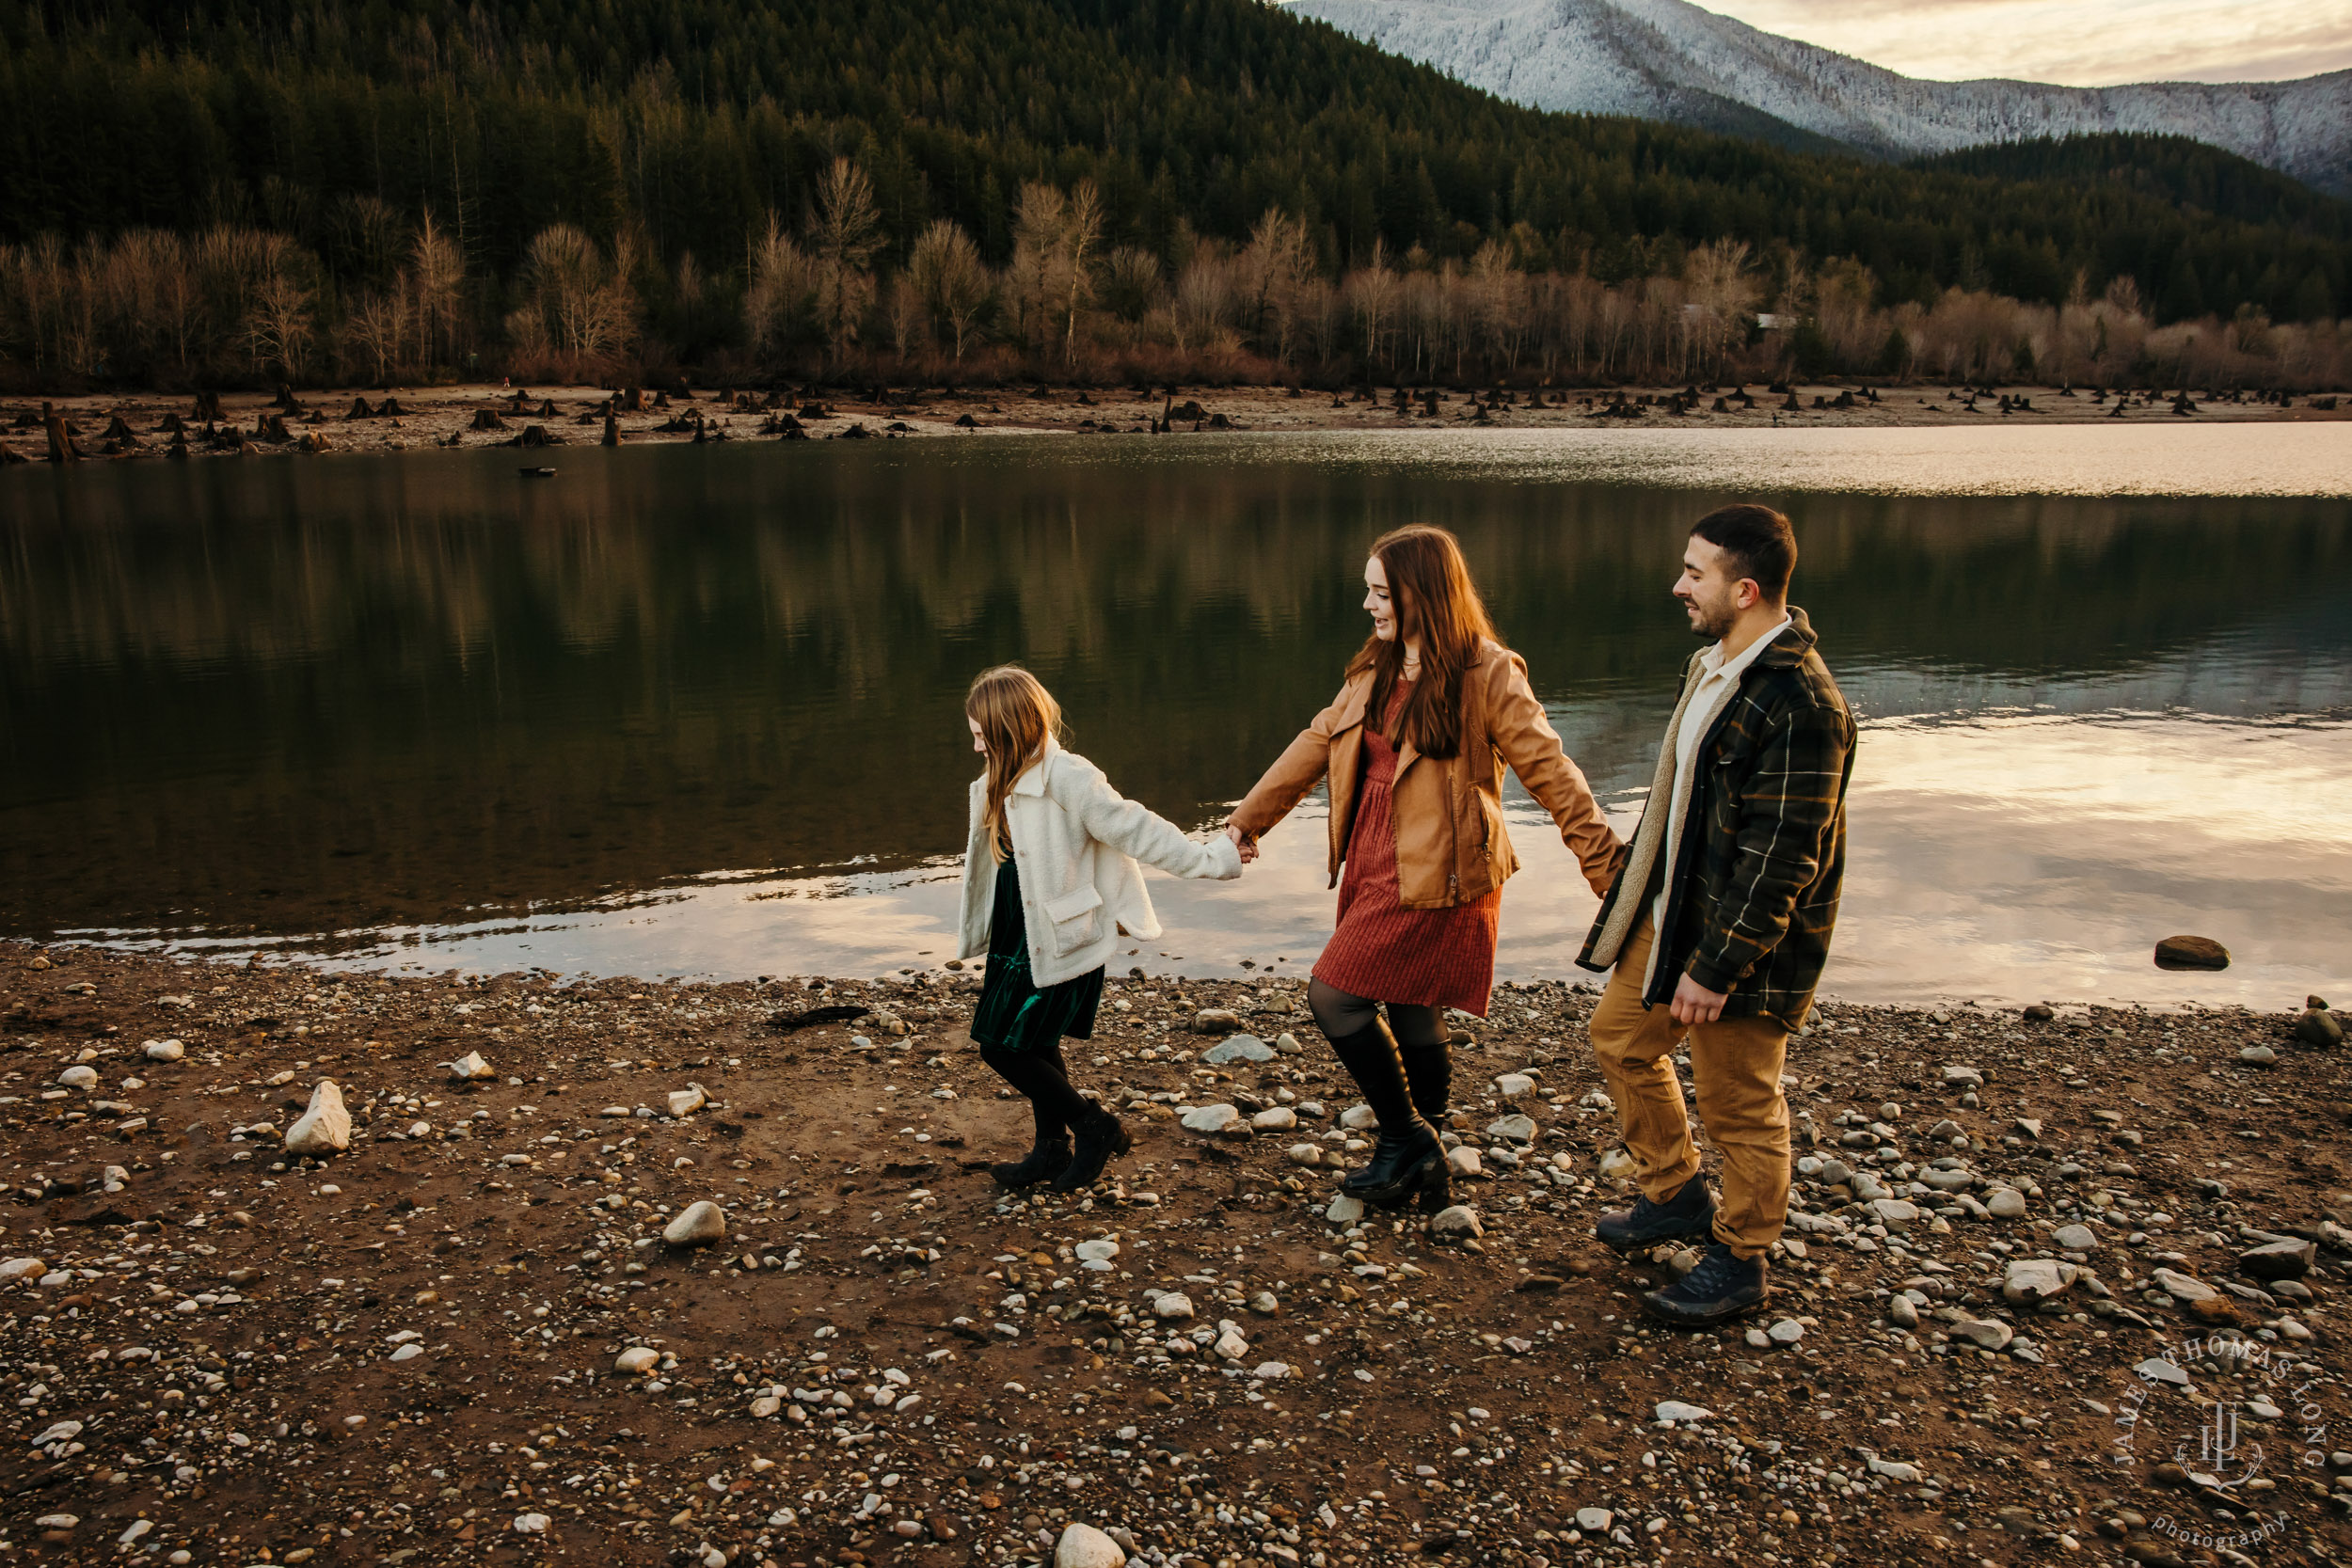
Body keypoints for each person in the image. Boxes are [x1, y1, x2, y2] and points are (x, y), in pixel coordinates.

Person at [1227, 526, 1623, 1212]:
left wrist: (1606, 868)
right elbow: (1319, 736)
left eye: (1380, 592)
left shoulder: (1489, 671)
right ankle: (1425, 1151)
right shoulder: (1376, 665)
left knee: (1333, 995)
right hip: (1375, 855)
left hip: (1443, 871)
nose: (1368, 605)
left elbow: (1553, 772)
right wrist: (1249, 817)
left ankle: (1406, 1137)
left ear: (1421, 593)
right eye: (1368, 590)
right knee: (1411, 1006)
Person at [1578, 503, 1855, 1324]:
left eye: (1694, 573)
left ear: (1746, 587)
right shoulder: (1711, 669)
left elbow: (1782, 861)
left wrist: (1715, 966)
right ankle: (1675, 1196)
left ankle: (1741, 1259)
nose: (1677, 585)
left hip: (1744, 947)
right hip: (1672, 921)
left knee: (1739, 1102)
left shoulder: (1803, 704)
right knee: (1623, 1039)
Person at [959, 665, 1243, 1192]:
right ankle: (1049, 1151)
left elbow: (1139, 828)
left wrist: (1214, 857)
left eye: (982, 735)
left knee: (1002, 1047)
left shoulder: (1069, 778)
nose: (976, 747)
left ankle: (1095, 1126)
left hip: (1060, 935)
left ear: (1008, 730)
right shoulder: (995, 781)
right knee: (1036, 1042)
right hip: (1013, 936)